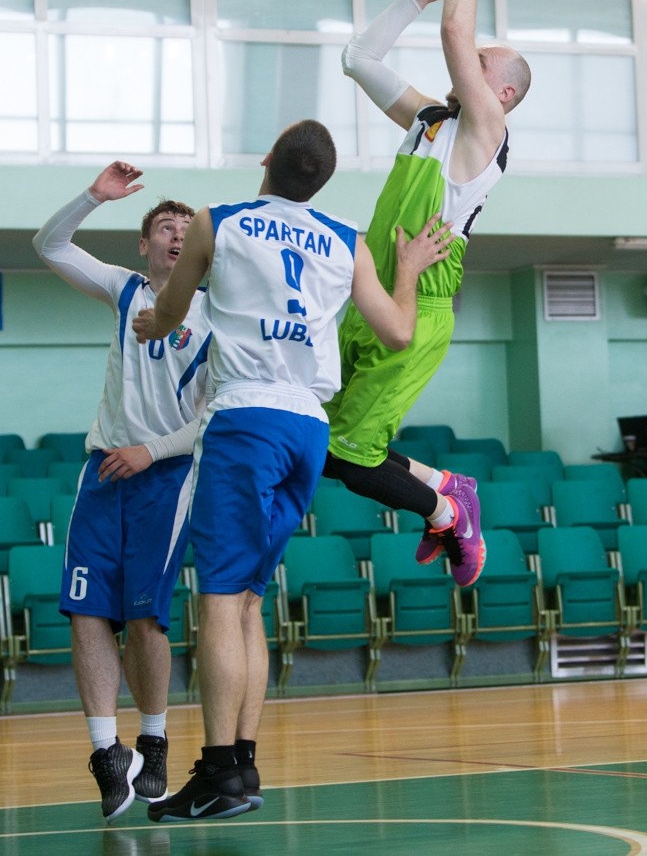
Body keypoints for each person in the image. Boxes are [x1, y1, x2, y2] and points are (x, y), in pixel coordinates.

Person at [131, 120, 454, 823]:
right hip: (310, 425)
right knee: (247, 601)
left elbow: (176, 306)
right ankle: (240, 766)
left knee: (218, 600)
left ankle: (220, 771)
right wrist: (407, 270)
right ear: (322, 179)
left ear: (267, 161)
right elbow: (399, 330)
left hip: (247, 419)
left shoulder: (221, 222)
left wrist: (154, 323)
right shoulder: (346, 238)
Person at [322, 0, 531, 590]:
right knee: (321, 448)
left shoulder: (486, 131)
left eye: (481, 59)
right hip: (370, 292)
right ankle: (448, 488)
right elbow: (359, 57)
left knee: (352, 462)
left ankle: (449, 509)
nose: (466, 54)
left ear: (500, 92)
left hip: (419, 307)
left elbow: (454, 29)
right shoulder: (431, 121)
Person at [32, 163, 211, 822]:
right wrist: (92, 197)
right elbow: (48, 246)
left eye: (185, 228)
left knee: (144, 617)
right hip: (104, 469)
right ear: (144, 244)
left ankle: (154, 738)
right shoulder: (124, 291)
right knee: (85, 609)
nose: (174, 233)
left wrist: (152, 451)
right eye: (164, 225)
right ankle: (109, 756)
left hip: (166, 474)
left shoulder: (214, 313)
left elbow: (213, 417)